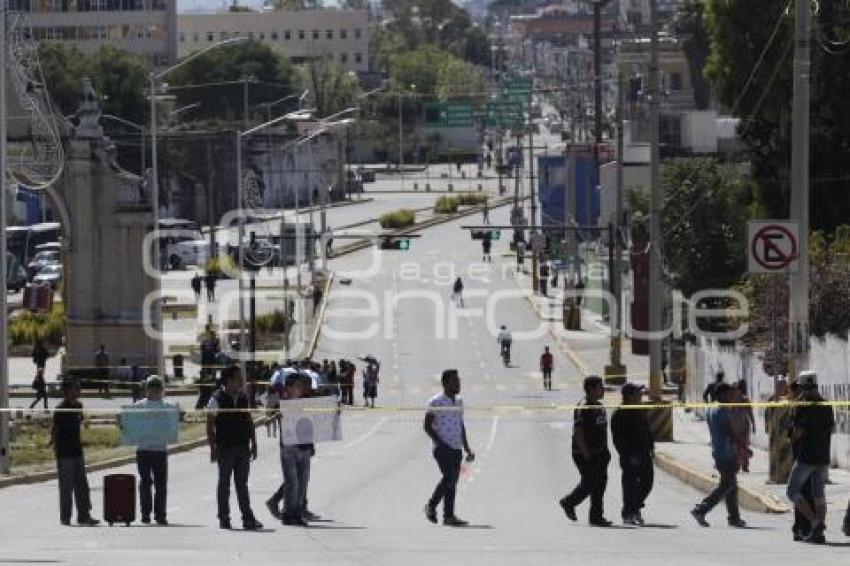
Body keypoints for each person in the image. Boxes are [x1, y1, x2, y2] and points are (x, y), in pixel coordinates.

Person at [206, 365, 263, 530]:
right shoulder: (216, 399)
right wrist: (213, 448)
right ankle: (224, 517)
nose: (241, 381)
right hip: (225, 448)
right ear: (229, 380)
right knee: (224, 484)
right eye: (238, 378)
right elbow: (209, 425)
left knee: (242, 485)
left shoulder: (243, 397)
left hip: (243, 447)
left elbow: (249, 421)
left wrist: (254, 443)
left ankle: (247, 518)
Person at [787, 371, 835, 543]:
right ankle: (819, 532)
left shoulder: (803, 405)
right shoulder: (826, 405)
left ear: (801, 386)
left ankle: (815, 523)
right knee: (819, 494)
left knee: (792, 491)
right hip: (823, 456)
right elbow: (831, 429)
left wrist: (791, 436)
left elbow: (798, 432)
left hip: (806, 457)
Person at [423, 369, 475, 526]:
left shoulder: (459, 401)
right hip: (442, 448)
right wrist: (439, 443)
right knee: (449, 477)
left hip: (456, 448)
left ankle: (449, 516)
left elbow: (460, 424)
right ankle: (431, 505)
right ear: (445, 383)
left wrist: (467, 448)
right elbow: (427, 426)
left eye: (458, 380)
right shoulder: (435, 402)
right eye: (454, 381)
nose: (457, 383)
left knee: (452, 481)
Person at [559, 375, 612, 527]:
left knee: (600, 484)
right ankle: (569, 502)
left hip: (600, 453)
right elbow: (579, 432)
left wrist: (605, 452)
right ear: (591, 389)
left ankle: (596, 516)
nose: (603, 390)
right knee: (590, 481)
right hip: (584, 453)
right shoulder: (584, 407)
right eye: (600, 387)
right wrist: (587, 454)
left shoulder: (599, 406)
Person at [690, 383, 746, 528]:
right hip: (726, 452)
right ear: (722, 395)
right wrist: (743, 447)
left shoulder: (711, 408)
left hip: (719, 450)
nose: (731, 397)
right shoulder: (721, 410)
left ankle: (734, 518)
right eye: (729, 394)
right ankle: (701, 509)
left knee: (731, 486)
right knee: (727, 485)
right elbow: (730, 432)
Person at [52, 379, 99, 526]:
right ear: (66, 391)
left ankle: (84, 515)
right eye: (75, 388)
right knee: (66, 487)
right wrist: (54, 445)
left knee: (82, 485)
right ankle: (65, 517)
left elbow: (80, 423)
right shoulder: (60, 408)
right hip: (64, 452)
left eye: (79, 388)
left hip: (77, 450)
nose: (79, 390)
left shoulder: (79, 406)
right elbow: (55, 429)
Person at [611, 383, 654, 526]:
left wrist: (651, 446)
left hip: (644, 453)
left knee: (647, 482)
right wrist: (628, 455)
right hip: (630, 456)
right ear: (629, 395)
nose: (641, 395)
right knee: (630, 485)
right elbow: (617, 439)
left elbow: (647, 430)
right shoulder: (619, 413)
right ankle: (629, 512)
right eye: (638, 393)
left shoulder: (639, 410)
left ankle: (633, 508)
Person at [133, 376, 172, 525]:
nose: (155, 389)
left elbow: (174, 423)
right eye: (152, 386)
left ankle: (160, 514)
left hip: (160, 450)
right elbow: (127, 421)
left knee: (161, 484)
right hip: (143, 450)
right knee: (145, 483)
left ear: (162, 389)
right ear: (146, 389)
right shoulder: (138, 406)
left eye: (158, 386)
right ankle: (145, 513)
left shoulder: (167, 406)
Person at [277, 373, 314, 526]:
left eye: (302, 386)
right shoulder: (284, 404)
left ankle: (297, 512)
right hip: (289, 448)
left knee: (302, 481)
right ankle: (288, 514)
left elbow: (313, 424)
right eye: (298, 386)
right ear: (289, 388)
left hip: (304, 446)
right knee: (292, 482)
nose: (301, 389)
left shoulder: (306, 403)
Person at [765, 379, 792, 484]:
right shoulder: (773, 400)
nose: (786, 389)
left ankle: (783, 476)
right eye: (784, 387)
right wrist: (767, 427)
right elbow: (768, 415)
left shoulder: (785, 399)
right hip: (775, 431)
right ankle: (774, 476)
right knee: (774, 455)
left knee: (785, 455)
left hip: (784, 432)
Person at [731, 380, 755, 473]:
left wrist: (753, 424)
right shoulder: (731, 400)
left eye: (736, 389)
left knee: (743, 446)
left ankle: (744, 465)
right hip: (735, 427)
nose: (735, 391)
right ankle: (737, 465)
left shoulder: (744, 399)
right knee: (736, 447)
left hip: (744, 427)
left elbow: (750, 413)